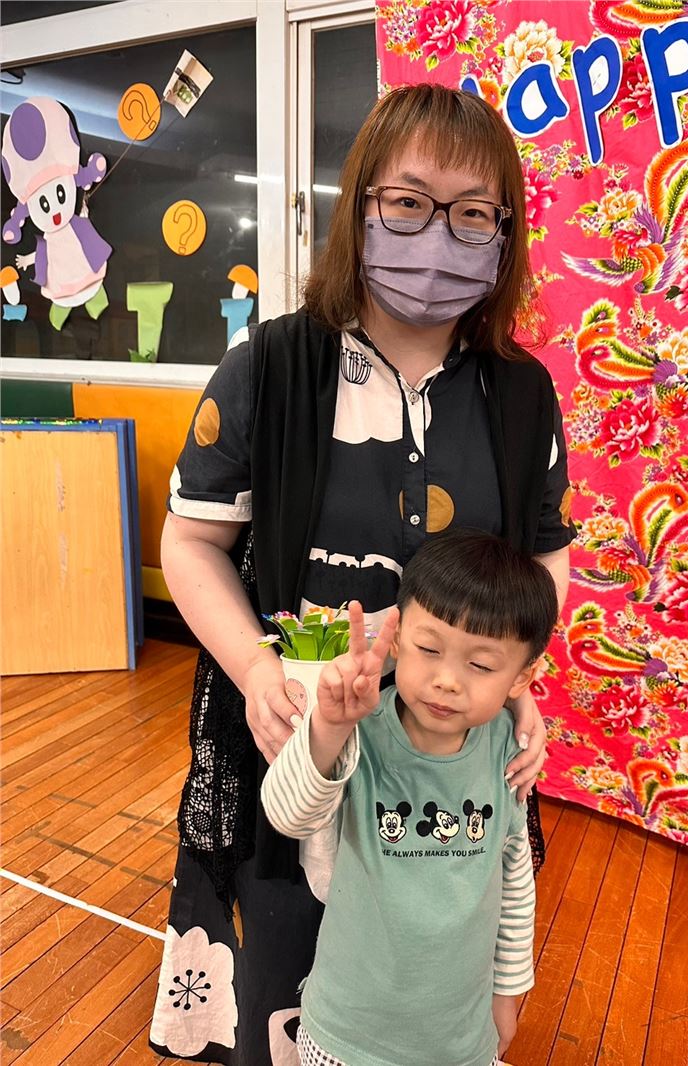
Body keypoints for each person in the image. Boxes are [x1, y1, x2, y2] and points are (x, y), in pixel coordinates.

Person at [150, 83, 576, 1066]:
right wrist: (256, 670)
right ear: (362, 206)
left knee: (426, 987)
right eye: (410, 202)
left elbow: (539, 558)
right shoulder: (269, 367)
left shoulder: (521, 392)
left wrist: (510, 676)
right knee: (287, 997)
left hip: (449, 768)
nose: (440, 236)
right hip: (298, 745)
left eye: (473, 213)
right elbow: (190, 542)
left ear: (504, 232)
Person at [263, 529, 559, 1066]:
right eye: (429, 649)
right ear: (396, 638)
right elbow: (288, 816)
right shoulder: (361, 730)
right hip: (344, 1037)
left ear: (522, 678)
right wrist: (328, 727)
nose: (447, 681)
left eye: (481, 665)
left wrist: (508, 993)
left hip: (459, 1041)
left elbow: (515, 881)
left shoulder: (508, 751)